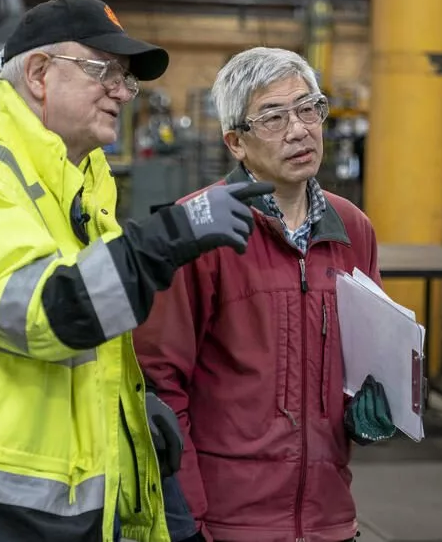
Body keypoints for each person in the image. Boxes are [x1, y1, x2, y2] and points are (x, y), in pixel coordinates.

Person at [0, 0, 272, 542]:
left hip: (27, 505)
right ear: (39, 73)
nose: (121, 92)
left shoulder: (79, 185)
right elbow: (46, 312)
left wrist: (127, 420)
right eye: (103, 70)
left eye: (126, 79)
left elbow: (89, 336)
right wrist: (170, 234)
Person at [133, 47, 397, 542]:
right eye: (273, 117)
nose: (299, 130)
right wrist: (185, 517)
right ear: (236, 141)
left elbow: (371, 356)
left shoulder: (353, 229)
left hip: (329, 518)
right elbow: (159, 385)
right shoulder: (197, 231)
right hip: (229, 522)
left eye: (308, 108)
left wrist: (377, 404)